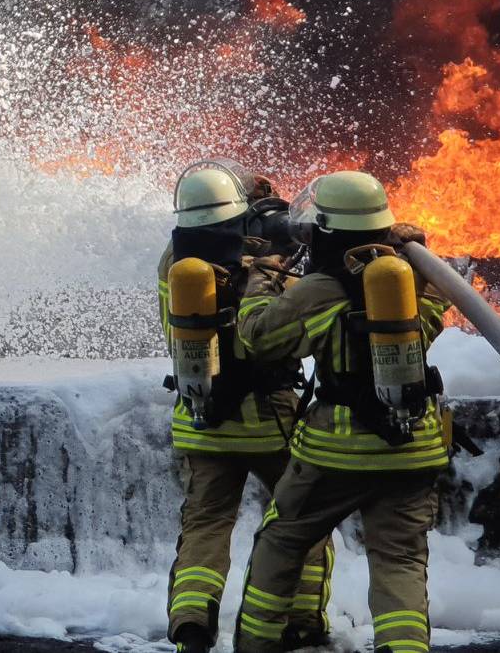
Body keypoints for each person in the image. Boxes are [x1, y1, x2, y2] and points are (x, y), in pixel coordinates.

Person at [228, 171, 452, 653]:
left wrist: (262, 278)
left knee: (283, 540)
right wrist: (417, 256)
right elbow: (434, 314)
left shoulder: (319, 289)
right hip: (413, 446)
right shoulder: (411, 279)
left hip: (336, 452)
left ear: (328, 230)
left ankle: (257, 644)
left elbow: (261, 339)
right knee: (400, 561)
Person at [160, 162, 333, 653]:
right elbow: (295, 329)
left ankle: (191, 624)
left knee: (205, 527)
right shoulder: (265, 265)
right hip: (268, 421)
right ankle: (302, 621)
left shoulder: (175, 264)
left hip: (201, 417)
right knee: (302, 523)